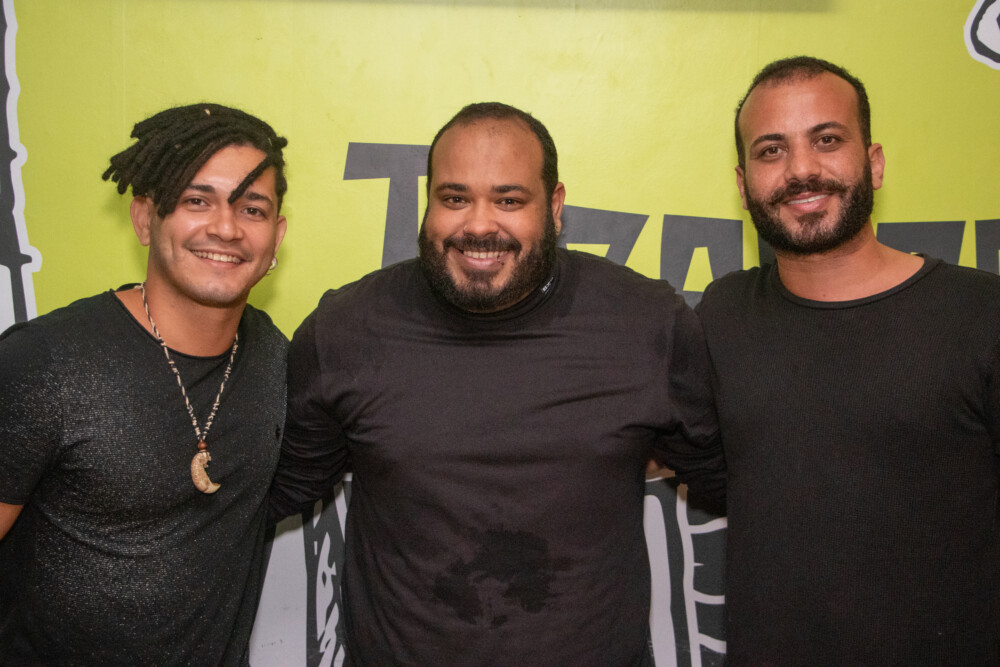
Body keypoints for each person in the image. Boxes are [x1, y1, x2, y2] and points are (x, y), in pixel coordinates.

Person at [269, 102, 725, 665]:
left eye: (509, 200)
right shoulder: (345, 330)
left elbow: (730, 477)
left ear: (554, 206)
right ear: (428, 202)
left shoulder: (648, 324)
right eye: (454, 198)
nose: (480, 225)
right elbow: (272, 492)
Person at [696, 56, 1000, 663]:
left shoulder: (982, 314)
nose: (801, 170)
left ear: (874, 163)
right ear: (743, 184)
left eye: (827, 140)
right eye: (771, 150)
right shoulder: (722, 314)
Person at [0, 103, 290, 665]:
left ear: (276, 236)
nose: (225, 227)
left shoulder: (274, 357)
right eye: (196, 200)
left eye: (251, 208)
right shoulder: (46, 362)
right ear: (143, 218)